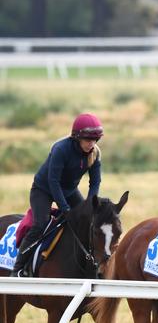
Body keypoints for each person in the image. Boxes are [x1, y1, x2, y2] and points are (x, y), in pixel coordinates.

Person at [11, 113, 103, 277]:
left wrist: (89, 204)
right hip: (43, 189)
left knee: (86, 221)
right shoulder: (61, 149)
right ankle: (18, 268)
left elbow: (95, 182)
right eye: (88, 140)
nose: (92, 144)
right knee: (40, 224)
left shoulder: (95, 153)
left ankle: (89, 266)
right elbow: (53, 182)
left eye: (95, 140)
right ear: (76, 137)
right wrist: (65, 208)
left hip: (69, 190)